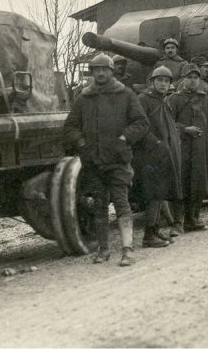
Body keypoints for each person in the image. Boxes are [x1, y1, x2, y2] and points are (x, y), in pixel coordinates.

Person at [63, 53, 149, 266]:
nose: (100, 73)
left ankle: (127, 250)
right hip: (93, 161)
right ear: (92, 73)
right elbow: (70, 127)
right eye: (96, 70)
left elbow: (141, 122)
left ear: (112, 72)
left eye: (105, 69)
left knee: (121, 202)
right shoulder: (83, 98)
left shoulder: (126, 94)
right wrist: (82, 143)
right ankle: (103, 250)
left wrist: (124, 138)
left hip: (118, 160)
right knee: (99, 206)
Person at [166, 64, 208, 233]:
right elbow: (168, 123)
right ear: (183, 79)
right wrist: (184, 130)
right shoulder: (174, 99)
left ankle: (192, 220)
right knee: (180, 183)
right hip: (181, 148)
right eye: (189, 77)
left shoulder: (205, 99)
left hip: (200, 149)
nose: (192, 81)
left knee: (197, 183)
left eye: (195, 78)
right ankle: (177, 222)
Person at [133, 66, 182, 248]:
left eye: (166, 81)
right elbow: (139, 125)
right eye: (159, 80)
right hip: (149, 155)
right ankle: (148, 235)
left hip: (162, 154)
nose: (163, 84)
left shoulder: (163, 101)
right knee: (153, 194)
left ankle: (154, 230)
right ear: (152, 82)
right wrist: (157, 143)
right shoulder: (144, 99)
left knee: (160, 193)